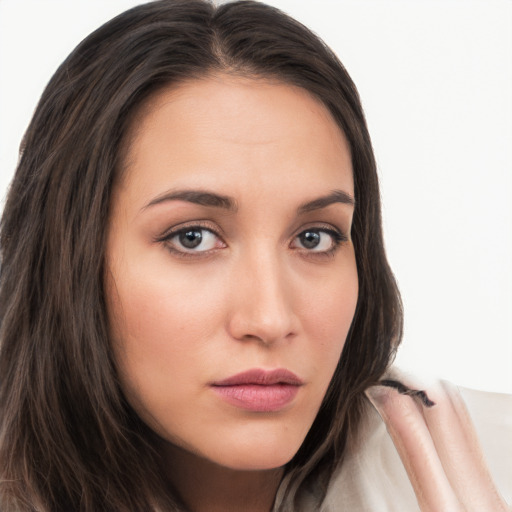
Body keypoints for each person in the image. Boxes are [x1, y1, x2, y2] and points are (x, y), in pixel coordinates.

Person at [0, 1, 509, 511]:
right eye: (193, 237)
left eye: (314, 238)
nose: (269, 319)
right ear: (68, 258)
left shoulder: (486, 462)